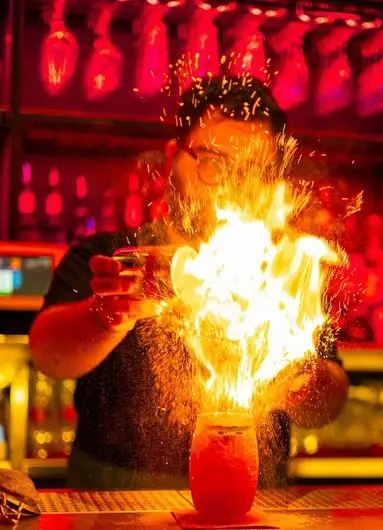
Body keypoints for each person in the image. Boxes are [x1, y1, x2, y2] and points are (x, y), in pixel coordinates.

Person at [29, 75, 349, 490]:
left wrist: (299, 378)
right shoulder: (113, 256)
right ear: (172, 158)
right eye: (213, 162)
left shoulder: (284, 271)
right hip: (113, 501)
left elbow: (332, 399)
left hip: (253, 498)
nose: (229, 188)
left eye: (252, 170)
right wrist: (110, 314)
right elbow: (48, 354)